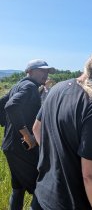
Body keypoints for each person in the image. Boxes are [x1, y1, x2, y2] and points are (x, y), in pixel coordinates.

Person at [32, 51, 92, 210]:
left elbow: (36, 129)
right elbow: (90, 175)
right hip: (69, 202)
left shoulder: (56, 89)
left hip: (42, 194)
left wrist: (53, 158)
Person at [0, 59, 55, 210]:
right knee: (40, 188)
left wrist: (9, 128)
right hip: (21, 149)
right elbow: (11, 107)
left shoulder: (19, 85)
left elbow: (2, 104)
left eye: (47, 71)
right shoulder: (30, 87)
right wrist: (26, 135)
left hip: (10, 146)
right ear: (30, 71)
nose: (45, 74)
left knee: (18, 188)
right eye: (42, 70)